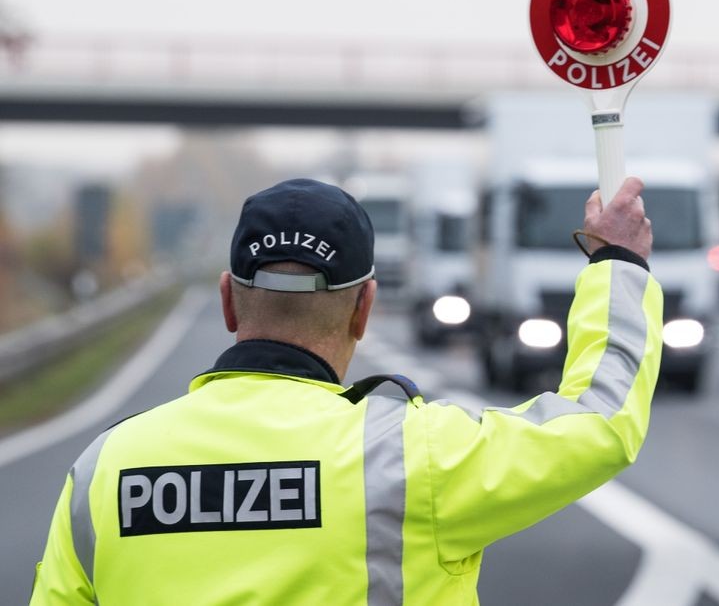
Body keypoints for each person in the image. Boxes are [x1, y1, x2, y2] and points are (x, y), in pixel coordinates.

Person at [30, 176, 662, 605]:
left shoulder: (106, 469)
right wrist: (619, 267)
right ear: (365, 308)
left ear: (228, 299)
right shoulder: (413, 457)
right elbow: (598, 419)